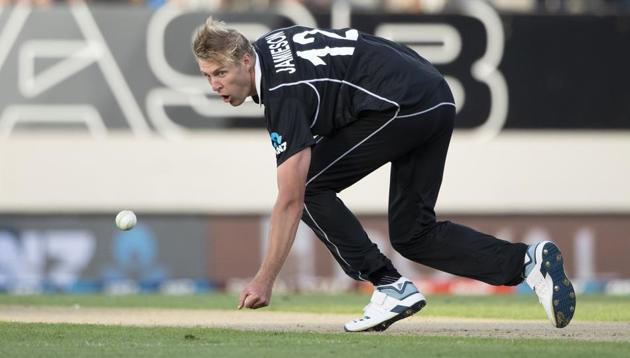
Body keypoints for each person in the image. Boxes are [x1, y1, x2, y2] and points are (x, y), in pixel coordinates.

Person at [191, 18, 577, 332]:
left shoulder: (282, 89)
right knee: (413, 234)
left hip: (403, 104)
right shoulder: (271, 45)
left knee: (308, 187)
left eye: (220, 73)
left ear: (245, 61)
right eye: (208, 76)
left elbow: (291, 199)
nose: (215, 85)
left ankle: (390, 286)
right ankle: (528, 262)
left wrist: (265, 277)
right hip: (434, 96)